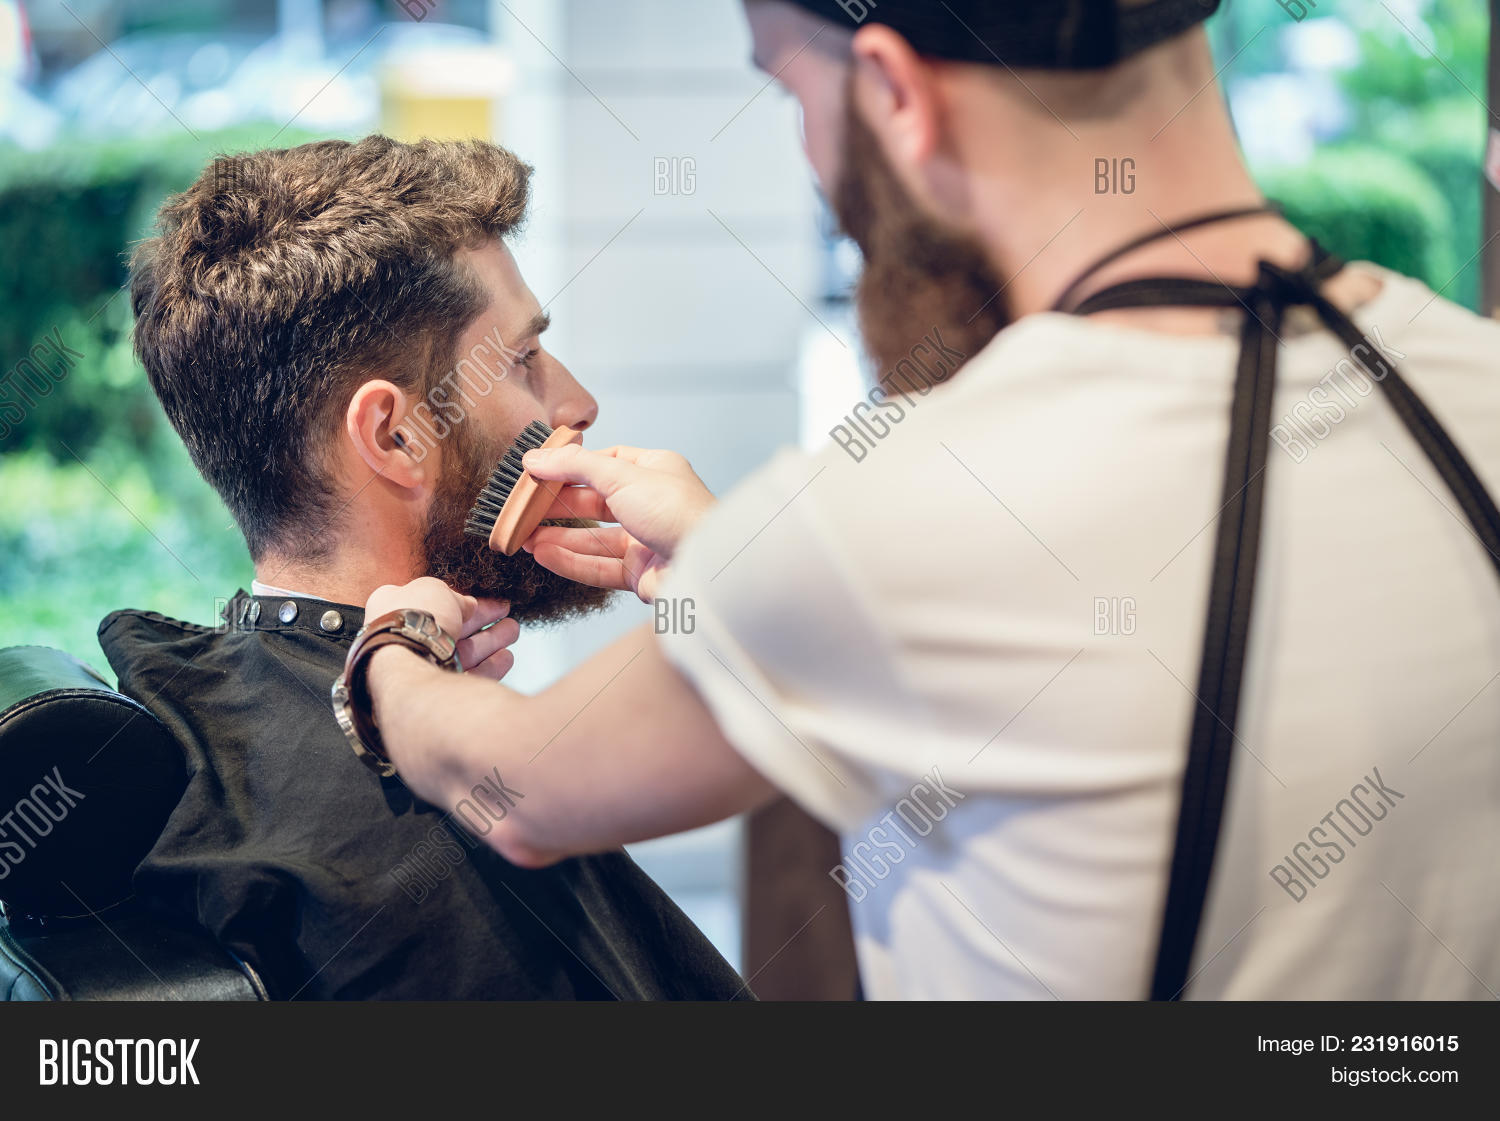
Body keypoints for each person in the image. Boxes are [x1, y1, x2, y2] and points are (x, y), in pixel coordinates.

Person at [355, 0, 1500, 999]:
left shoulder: (895, 510)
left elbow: (514, 787)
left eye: (794, 95)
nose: (814, 162)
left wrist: (390, 653)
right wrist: (731, 566)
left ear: (897, 92)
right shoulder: (1473, 383)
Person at [108, 135, 750, 1000]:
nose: (578, 403)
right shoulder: (412, 857)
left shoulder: (217, 716)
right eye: (524, 359)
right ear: (396, 436)